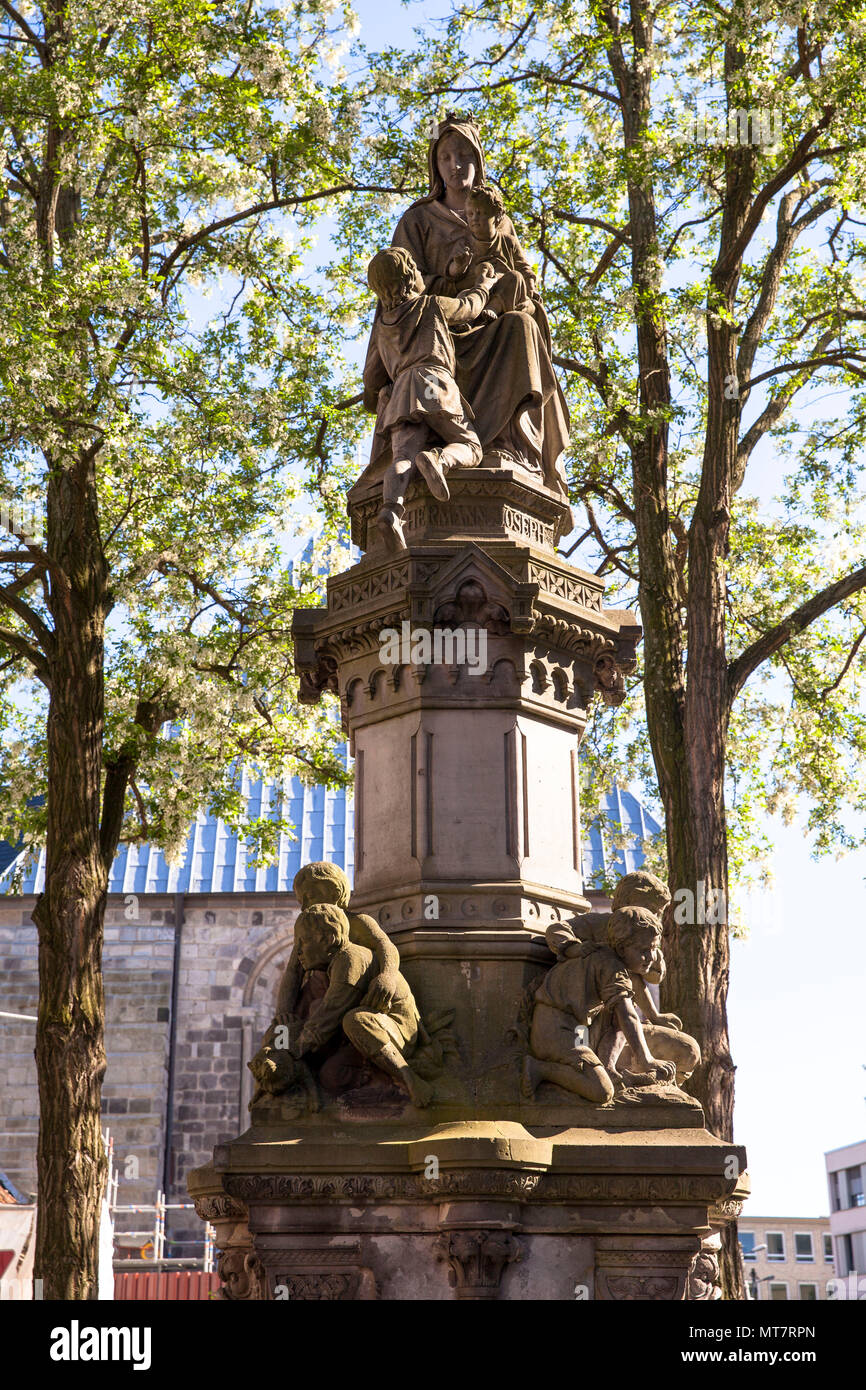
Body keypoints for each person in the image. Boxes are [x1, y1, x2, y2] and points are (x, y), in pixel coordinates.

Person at [363, 112, 571, 496]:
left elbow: (526, 277)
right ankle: (448, 450)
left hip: (491, 324)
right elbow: (402, 284)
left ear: (478, 159)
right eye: (445, 157)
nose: (455, 165)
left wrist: (515, 289)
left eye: (464, 155)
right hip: (437, 329)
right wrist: (453, 278)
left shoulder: (500, 220)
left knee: (523, 328)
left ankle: (513, 449)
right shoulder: (418, 220)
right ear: (435, 165)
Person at [366, 245, 496, 550]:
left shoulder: (383, 327)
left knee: (401, 458)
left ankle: (391, 511)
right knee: (470, 445)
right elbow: (468, 308)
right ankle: (440, 460)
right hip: (433, 383)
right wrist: (484, 286)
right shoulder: (432, 305)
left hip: (401, 391)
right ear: (412, 276)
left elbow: (371, 378)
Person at [522, 905, 696, 1103]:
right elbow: (628, 1015)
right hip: (556, 1033)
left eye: (654, 949)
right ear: (621, 948)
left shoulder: (609, 960)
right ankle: (540, 1069)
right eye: (643, 950)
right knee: (602, 1091)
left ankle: (608, 1069)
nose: (651, 957)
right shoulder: (610, 966)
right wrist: (646, 1059)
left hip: (579, 1030)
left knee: (617, 1014)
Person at [288, 903, 433, 1108]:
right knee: (331, 1076)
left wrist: (293, 1050)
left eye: (303, 942)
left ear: (328, 939)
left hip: (398, 1031)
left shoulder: (350, 959)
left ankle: (409, 1078)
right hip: (366, 1036)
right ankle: (376, 1088)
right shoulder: (335, 964)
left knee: (354, 1020)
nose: (299, 951)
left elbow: (328, 1015)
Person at [448, 183, 538, 318]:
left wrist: (530, 285)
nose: (474, 218)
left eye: (480, 213)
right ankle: (465, 322)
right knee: (463, 295)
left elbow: (523, 268)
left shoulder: (509, 241)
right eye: (470, 214)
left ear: (498, 216)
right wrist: (458, 265)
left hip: (505, 289)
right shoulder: (464, 243)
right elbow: (452, 272)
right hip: (477, 292)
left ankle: (494, 307)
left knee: (515, 277)